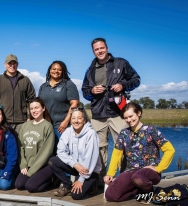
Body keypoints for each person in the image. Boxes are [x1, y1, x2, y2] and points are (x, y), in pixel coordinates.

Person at [81, 38, 140, 180]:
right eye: (96, 49)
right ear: (93, 51)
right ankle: (102, 181)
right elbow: (84, 91)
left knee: (124, 146)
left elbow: (136, 79)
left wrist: (123, 85)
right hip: (98, 114)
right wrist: (92, 91)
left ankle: (125, 179)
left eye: (102, 48)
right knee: (99, 149)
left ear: (107, 48)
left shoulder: (121, 63)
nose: (100, 51)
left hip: (118, 113)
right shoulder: (90, 70)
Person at [104, 102, 175, 202]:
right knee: (111, 196)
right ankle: (136, 190)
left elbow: (170, 150)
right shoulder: (124, 133)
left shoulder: (151, 130)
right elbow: (117, 154)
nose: (128, 120)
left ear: (139, 113)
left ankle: (148, 191)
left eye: (131, 116)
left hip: (149, 171)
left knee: (139, 178)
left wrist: (159, 168)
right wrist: (110, 173)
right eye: (126, 118)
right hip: (131, 170)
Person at [49, 108, 102, 200]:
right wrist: (74, 164)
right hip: (77, 167)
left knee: (76, 195)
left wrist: (81, 180)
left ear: (84, 120)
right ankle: (67, 184)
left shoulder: (91, 134)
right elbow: (60, 151)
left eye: (79, 118)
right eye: (73, 118)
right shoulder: (68, 132)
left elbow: (90, 159)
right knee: (53, 161)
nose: (76, 121)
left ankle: (93, 185)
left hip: (89, 170)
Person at [15, 97, 55, 193]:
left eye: (36, 108)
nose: (34, 111)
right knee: (19, 185)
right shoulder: (25, 126)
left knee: (31, 187)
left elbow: (46, 152)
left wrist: (32, 171)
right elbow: (20, 147)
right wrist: (23, 165)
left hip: (43, 165)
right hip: (28, 166)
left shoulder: (47, 126)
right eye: (31, 108)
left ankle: (51, 180)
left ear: (43, 108)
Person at [0, 54, 36, 133]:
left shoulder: (25, 80)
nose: (12, 65)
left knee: (21, 145)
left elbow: (32, 100)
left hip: (22, 122)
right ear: (5, 65)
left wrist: (29, 116)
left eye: (14, 63)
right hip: (4, 121)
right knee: (4, 145)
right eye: (9, 63)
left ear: (17, 64)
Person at [38, 61, 79, 143]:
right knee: (48, 153)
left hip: (61, 126)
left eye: (59, 70)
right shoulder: (43, 86)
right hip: (46, 125)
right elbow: (39, 105)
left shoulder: (68, 85)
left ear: (63, 72)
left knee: (62, 152)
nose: (56, 71)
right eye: (54, 69)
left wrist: (66, 121)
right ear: (50, 70)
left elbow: (74, 104)